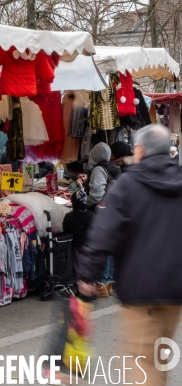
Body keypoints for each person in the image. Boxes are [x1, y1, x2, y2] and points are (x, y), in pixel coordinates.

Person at [76, 125, 182, 386]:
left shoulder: (128, 185)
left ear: (140, 150)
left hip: (139, 288)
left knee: (143, 364)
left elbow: (104, 233)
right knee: (159, 358)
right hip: (175, 288)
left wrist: (88, 275)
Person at [86, 142, 120, 210]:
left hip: (95, 213)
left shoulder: (99, 169)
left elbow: (96, 196)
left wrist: (84, 204)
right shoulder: (111, 167)